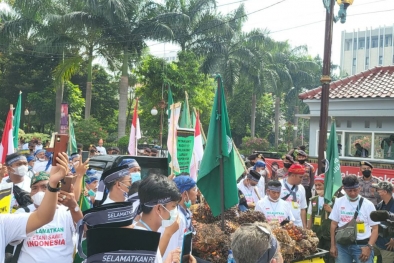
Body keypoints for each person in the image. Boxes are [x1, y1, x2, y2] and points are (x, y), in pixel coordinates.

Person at [0, 152, 69, 262]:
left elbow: (43, 216)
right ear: (9, 168)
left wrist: (53, 184)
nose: (39, 192)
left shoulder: (3, 223)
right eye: (35, 188)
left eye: (24, 163)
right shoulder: (3, 185)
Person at [13, 171, 83, 263]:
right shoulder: (22, 213)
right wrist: (36, 214)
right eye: (34, 188)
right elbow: (14, 240)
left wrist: (74, 206)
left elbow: (84, 233)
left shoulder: (66, 211)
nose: (39, 192)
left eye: (45, 187)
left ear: (55, 189)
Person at [133, 174, 184, 263]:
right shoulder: (147, 243)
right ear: (159, 208)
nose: (176, 212)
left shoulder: (134, 231)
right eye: (173, 206)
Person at [329, 175, 379, 263]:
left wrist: (369, 247)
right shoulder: (339, 202)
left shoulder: (368, 205)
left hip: (362, 246)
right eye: (349, 191)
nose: (353, 193)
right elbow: (333, 224)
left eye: (355, 190)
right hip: (342, 246)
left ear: (359, 188)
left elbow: (375, 228)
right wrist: (333, 245)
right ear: (344, 189)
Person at [161, 176, 198, 261]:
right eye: (194, 190)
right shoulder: (177, 218)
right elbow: (173, 247)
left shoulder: (186, 213)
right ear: (185, 194)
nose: (197, 193)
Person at [307, 174, 335, 263]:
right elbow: (309, 217)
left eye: (320, 185)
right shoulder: (313, 200)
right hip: (316, 235)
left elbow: (339, 217)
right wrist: (308, 232)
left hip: (329, 236)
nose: (318, 187)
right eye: (316, 185)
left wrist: (331, 210)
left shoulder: (334, 200)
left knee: (330, 258)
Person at [372, 181, 394, 263]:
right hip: (378, 241)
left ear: (385, 192)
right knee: (364, 255)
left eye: (378, 189)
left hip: (389, 245)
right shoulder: (381, 204)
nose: (376, 191)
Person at [279, 163, 307, 228]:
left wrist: (304, 226)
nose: (302, 179)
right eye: (300, 177)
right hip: (283, 223)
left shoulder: (301, 188)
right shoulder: (279, 185)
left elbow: (303, 209)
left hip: (297, 224)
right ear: (293, 175)